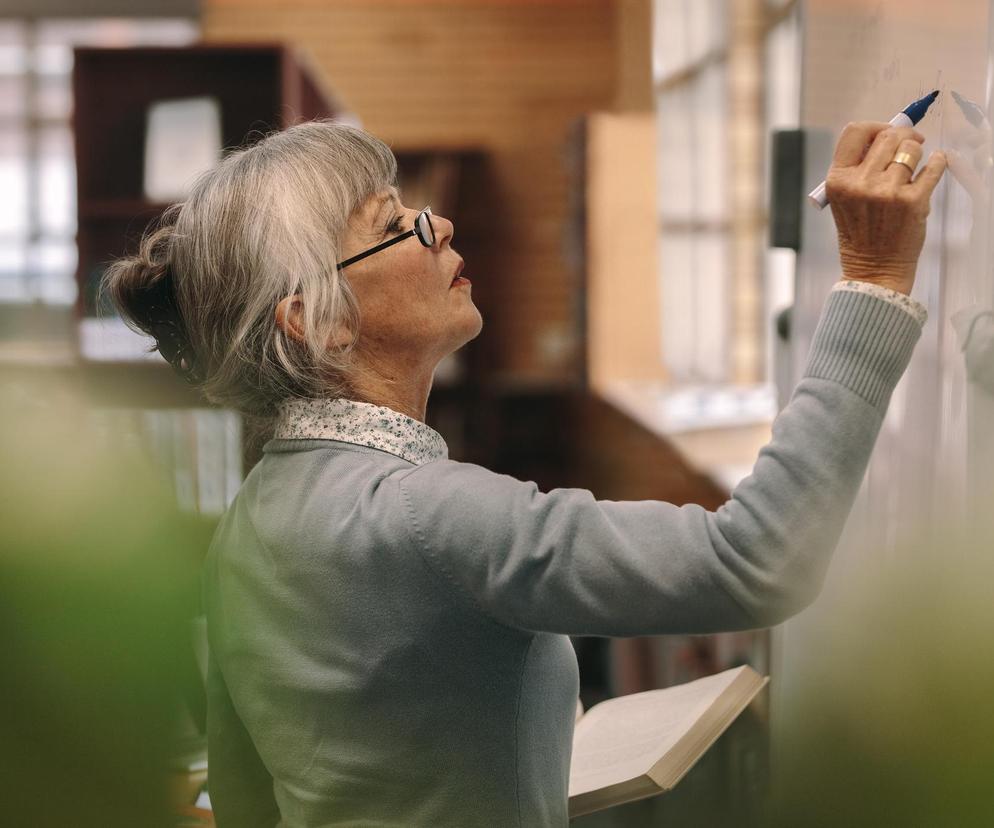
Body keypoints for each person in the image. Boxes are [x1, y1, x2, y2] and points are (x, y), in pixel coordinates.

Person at [102, 119, 946, 827]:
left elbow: (251, 804)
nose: (440, 227)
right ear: (318, 324)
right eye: (395, 225)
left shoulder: (252, 517)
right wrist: (871, 286)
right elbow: (755, 559)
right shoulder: (428, 514)